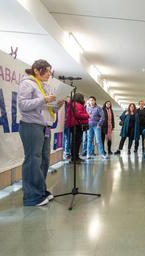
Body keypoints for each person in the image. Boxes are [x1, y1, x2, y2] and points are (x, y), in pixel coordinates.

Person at [18, 59, 63, 206]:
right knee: (33, 160)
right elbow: (23, 105)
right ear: (37, 70)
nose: (50, 74)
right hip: (31, 125)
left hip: (44, 127)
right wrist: (43, 99)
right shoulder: (27, 83)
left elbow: (47, 108)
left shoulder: (44, 86)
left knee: (44, 160)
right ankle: (31, 197)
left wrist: (57, 105)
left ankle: (40, 191)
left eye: (50, 71)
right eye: (47, 71)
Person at [66, 93, 89, 164]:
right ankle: (74, 158)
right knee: (76, 142)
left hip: (74, 125)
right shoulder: (77, 105)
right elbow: (78, 114)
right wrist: (87, 115)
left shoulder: (73, 104)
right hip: (77, 125)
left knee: (75, 142)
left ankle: (75, 157)